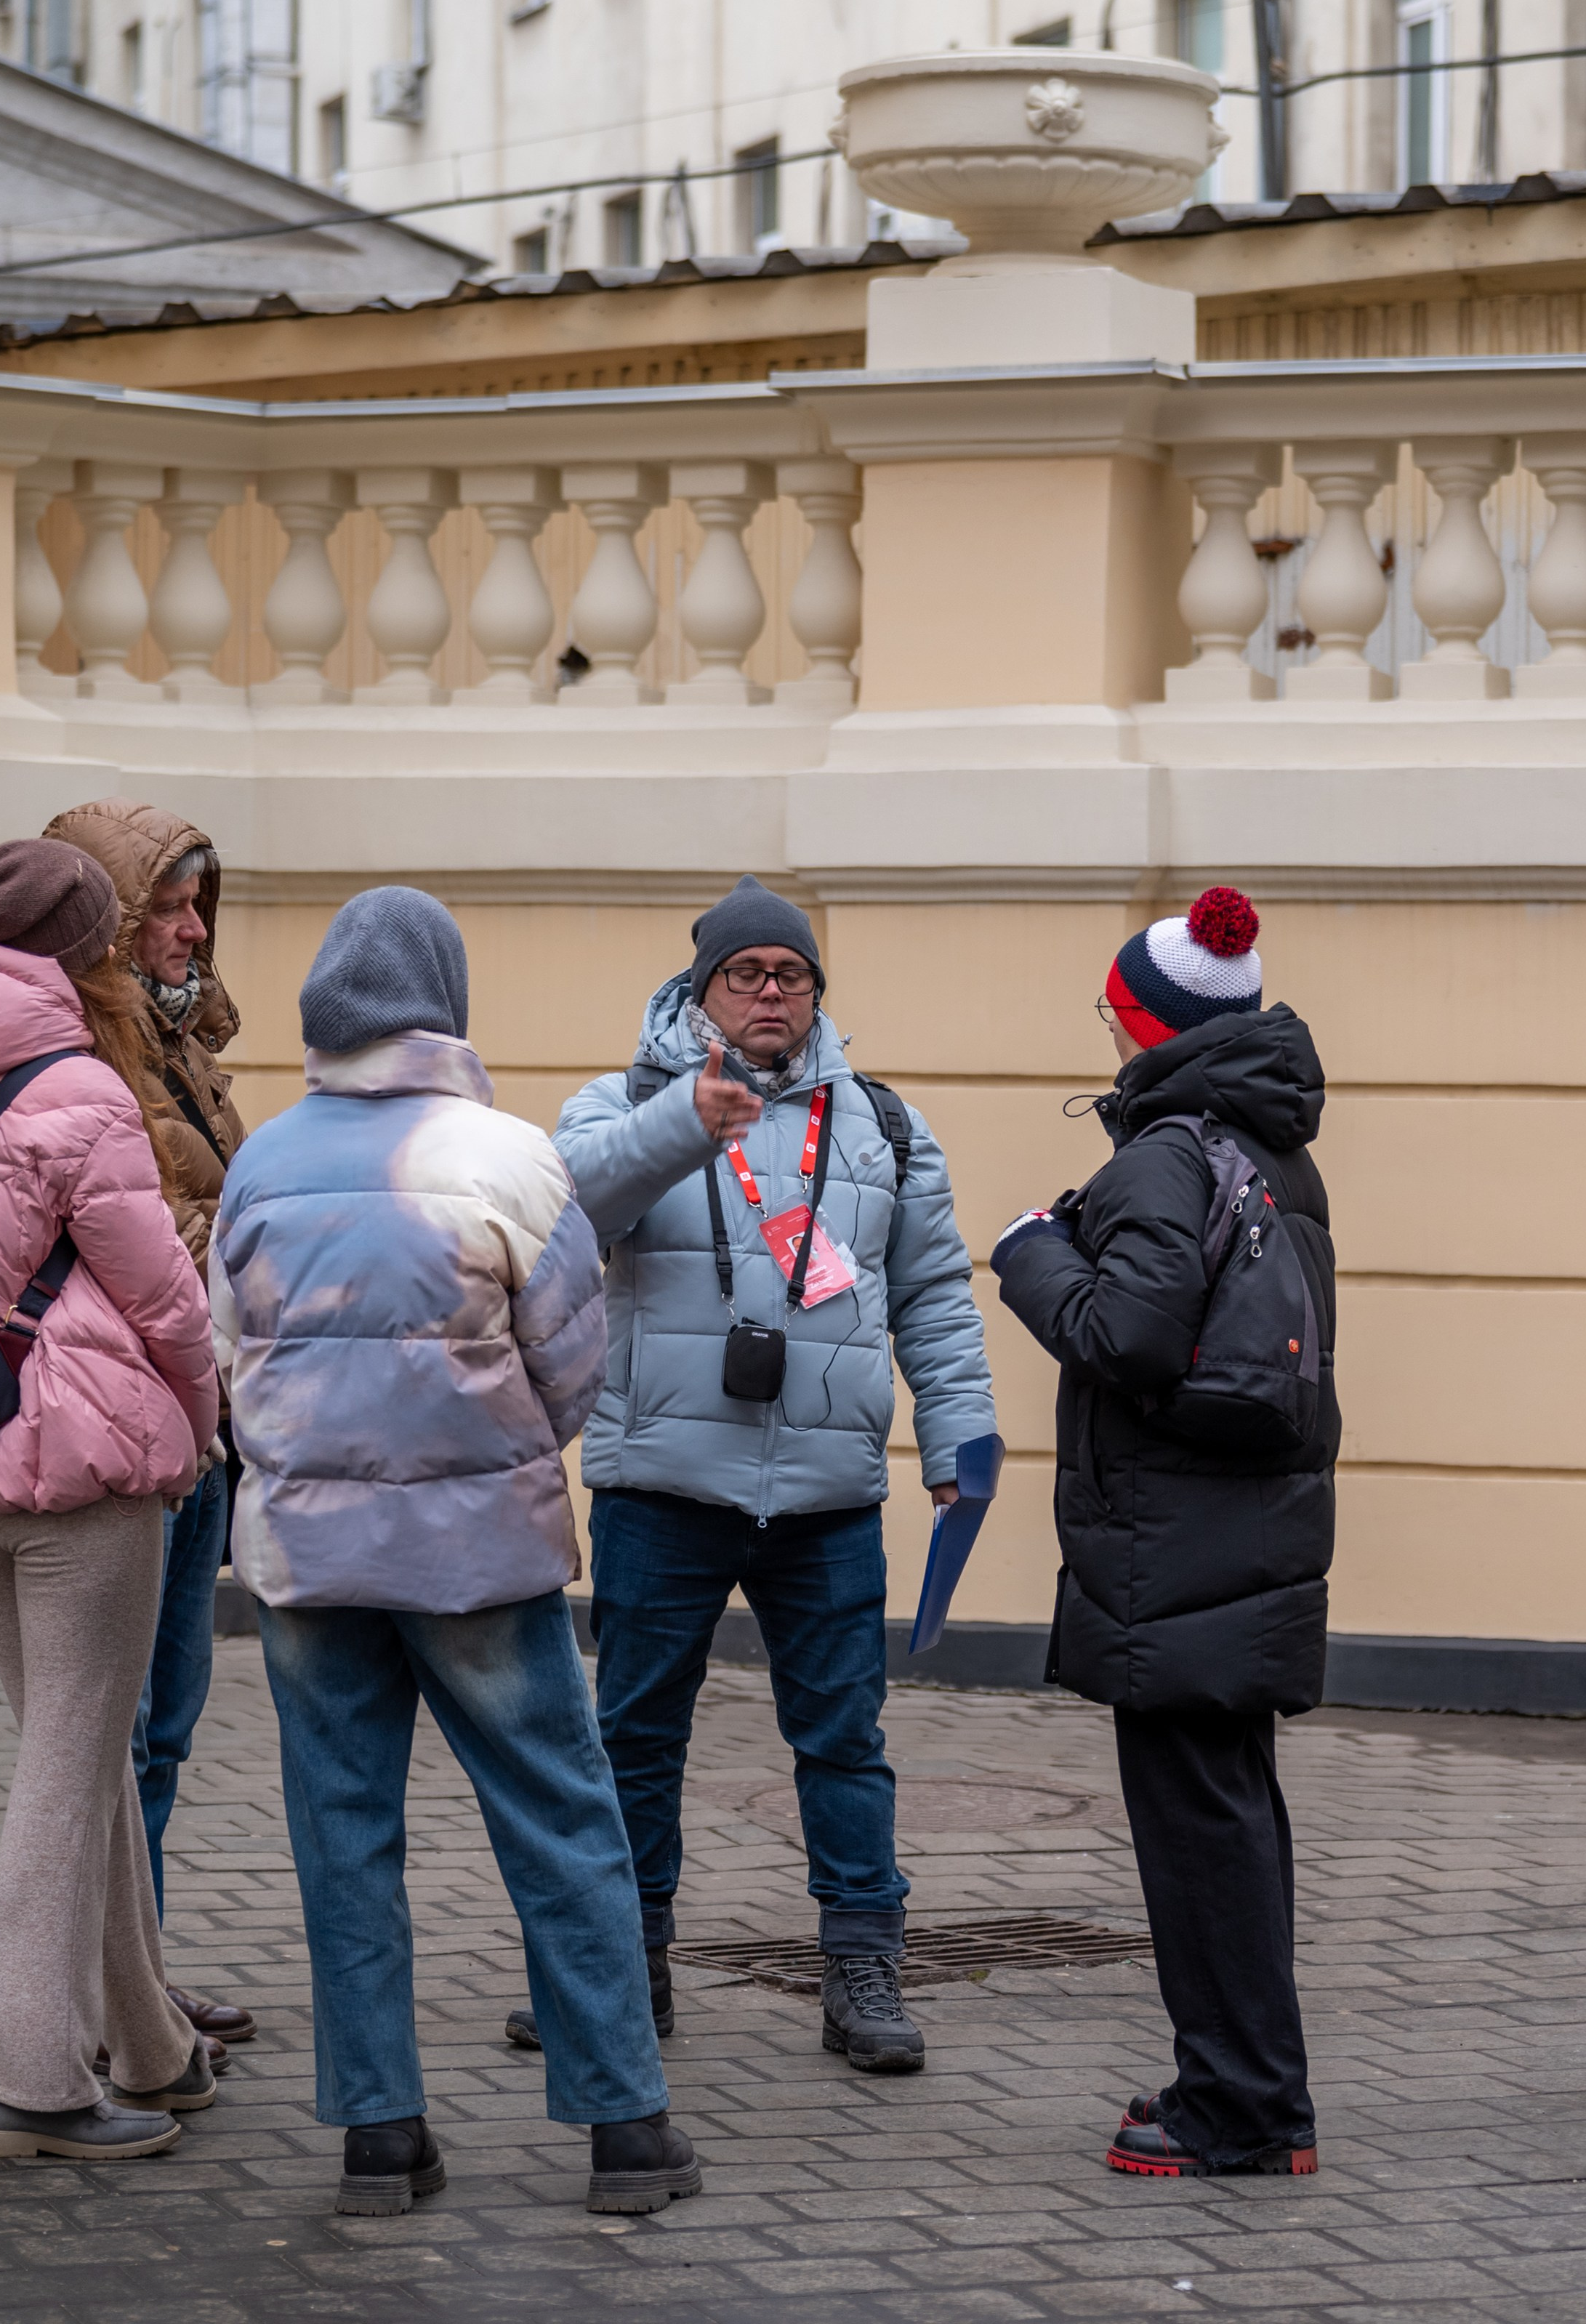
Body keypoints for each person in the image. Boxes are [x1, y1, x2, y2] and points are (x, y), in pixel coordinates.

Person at [207, 887, 701, 2219]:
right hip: (477, 1557)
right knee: (562, 1820)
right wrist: (488, 1449)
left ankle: (380, 2139)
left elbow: (229, 1359)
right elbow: (573, 1366)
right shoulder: (509, 1156)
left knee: (343, 1833)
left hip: (307, 1560)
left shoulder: (260, 1164)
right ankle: (627, 2132)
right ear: (445, 1000)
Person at [546, 875, 996, 2078]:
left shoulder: (882, 1124)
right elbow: (568, 1215)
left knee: (844, 1740)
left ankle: (863, 1966)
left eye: (791, 975)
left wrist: (959, 1441)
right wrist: (686, 1121)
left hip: (826, 1495)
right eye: (746, 974)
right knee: (635, 1737)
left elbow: (935, 1296)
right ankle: (623, 1968)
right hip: (663, 1487)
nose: (770, 993)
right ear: (702, 993)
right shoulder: (622, 1102)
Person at [0, 839, 220, 2163]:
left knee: (82, 1753)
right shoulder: (80, 1086)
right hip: (83, 1466)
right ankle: (32, 2080)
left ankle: (150, 2044)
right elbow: (161, 1295)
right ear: (82, 947)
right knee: (68, 1771)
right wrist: (202, 1414)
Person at [990, 887, 1336, 2182]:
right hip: (1248, 1539)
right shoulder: (1273, 1149)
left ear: (1142, 1022)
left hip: (1175, 1548)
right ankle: (1252, 2090)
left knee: (1200, 1841)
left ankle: (1241, 2110)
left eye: (1112, 1008)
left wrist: (1033, 1253)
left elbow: (1126, 1337)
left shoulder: (1164, 1156)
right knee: (1234, 1821)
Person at [43, 801, 255, 2062]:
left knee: (162, 1736)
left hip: (202, 1426)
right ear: (111, 921)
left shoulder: (184, 1045)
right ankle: (87, 2008)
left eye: (199, 906)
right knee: (107, 1747)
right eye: (167, 906)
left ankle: (144, 1984)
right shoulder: (71, 1054)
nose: (192, 930)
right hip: (122, 1434)